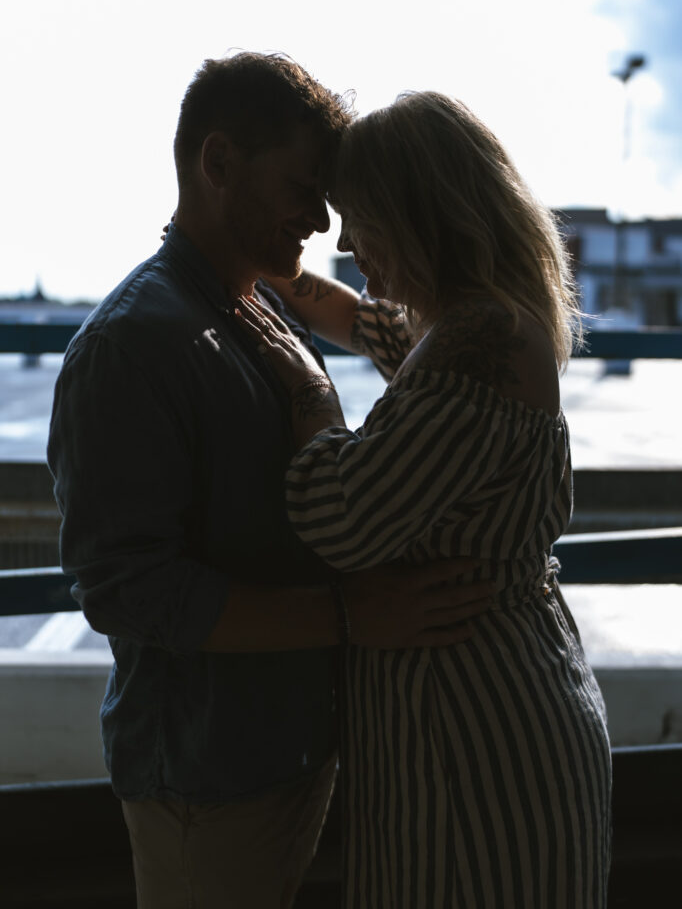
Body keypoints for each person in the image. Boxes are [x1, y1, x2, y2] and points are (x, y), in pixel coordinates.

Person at [47, 57, 492, 909]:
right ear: (218, 164)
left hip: (283, 753)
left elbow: (332, 304)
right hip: (207, 777)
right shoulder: (130, 346)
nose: (322, 220)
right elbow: (128, 591)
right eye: (301, 188)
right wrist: (352, 615)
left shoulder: (252, 304)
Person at [236, 90, 612, 908]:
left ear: (415, 212)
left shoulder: (479, 345)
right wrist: (269, 267)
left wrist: (308, 396)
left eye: (358, 218)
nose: (346, 244)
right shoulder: (482, 325)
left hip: (471, 729)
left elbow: (341, 518)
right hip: (491, 699)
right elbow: (365, 323)